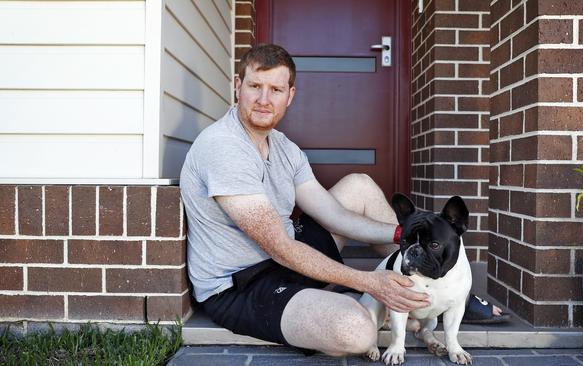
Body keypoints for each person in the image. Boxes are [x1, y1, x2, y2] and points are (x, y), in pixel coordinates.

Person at [180, 44, 505, 357]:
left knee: (359, 187)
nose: (264, 99)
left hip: (289, 259)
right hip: (243, 286)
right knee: (355, 331)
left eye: (276, 90)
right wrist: (369, 282)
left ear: (290, 96)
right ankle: (370, 297)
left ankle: (439, 288)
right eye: (255, 86)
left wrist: (401, 236)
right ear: (238, 86)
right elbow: (279, 246)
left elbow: (331, 213)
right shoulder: (223, 146)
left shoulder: (283, 147)